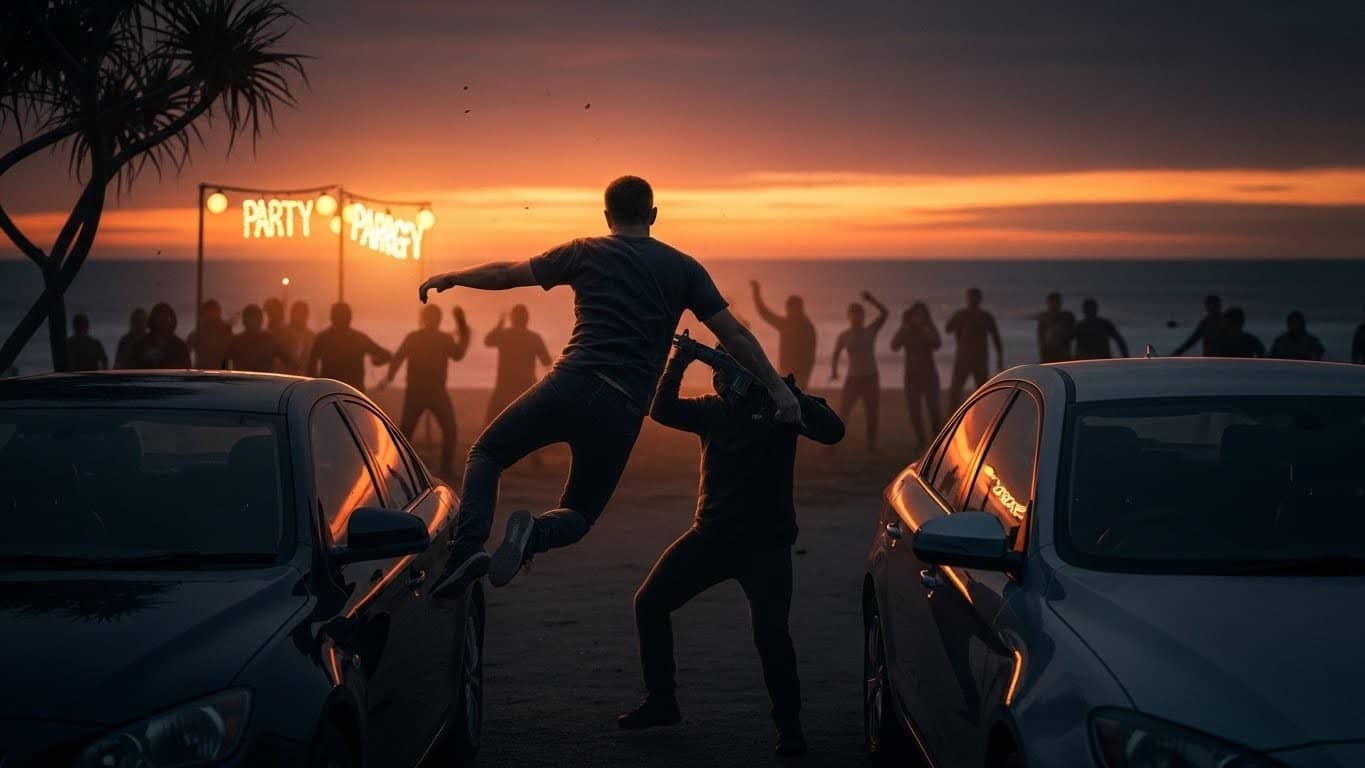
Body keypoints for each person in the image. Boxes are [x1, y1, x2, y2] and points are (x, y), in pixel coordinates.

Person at [419, 175, 799, 598]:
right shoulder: (685, 267)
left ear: (606, 216)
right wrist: (778, 389)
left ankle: (468, 547)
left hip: (571, 383)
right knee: (579, 514)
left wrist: (454, 277)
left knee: (488, 452)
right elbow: (735, 335)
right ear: (653, 215)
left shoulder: (585, 251)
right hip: (622, 410)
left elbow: (508, 274)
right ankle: (533, 537)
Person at [618, 339, 844, 756]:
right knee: (649, 603)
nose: (722, 380)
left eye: (730, 370)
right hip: (711, 537)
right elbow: (661, 408)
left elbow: (834, 431)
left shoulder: (781, 407)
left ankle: (789, 727)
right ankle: (662, 700)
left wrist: (788, 394)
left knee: (771, 635)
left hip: (766, 545)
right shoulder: (711, 411)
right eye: (717, 372)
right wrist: (679, 360)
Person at [386, 304, 471, 476]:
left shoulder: (435, 338)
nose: (434, 320)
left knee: (448, 429)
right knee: (407, 431)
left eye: (435, 317)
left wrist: (462, 325)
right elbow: (399, 357)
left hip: (431, 391)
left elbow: (458, 354)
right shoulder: (422, 337)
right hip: (420, 391)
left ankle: (443, 467)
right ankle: (399, 466)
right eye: (432, 317)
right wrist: (390, 375)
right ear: (427, 319)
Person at [831, 291, 887, 451]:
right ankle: (833, 444)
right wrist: (834, 371)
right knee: (844, 411)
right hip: (853, 378)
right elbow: (836, 353)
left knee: (871, 412)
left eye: (860, 315)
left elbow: (885, 313)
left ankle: (871, 445)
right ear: (849, 316)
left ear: (863, 316)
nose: (857, 318)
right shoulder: (844, 335)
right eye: (854, 315)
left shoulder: (870, 330)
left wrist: (872, 299)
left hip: (870, 377)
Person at [484, 304, 553, 423]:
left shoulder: (505, 335)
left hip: (504, 386)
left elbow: (488, 341)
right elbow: (546, 361)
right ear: (527, 319)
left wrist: (500, 324)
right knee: (529, 421)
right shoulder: (534, 338)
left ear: (512, 319)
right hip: (526, 385)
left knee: (491, 422)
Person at [306, 303, 392, 392]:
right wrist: (377, 361)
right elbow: (387, 355)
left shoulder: (322, 338)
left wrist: (314, 388)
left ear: (332, 318)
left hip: (329, 392)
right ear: (350, 318)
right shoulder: (359, 338)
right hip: (354, 392)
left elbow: (311, 366)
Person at [889, 302, 941, 448]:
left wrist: (926, 332)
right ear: (910, 316)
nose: (918, 318)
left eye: (921, 315)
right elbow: (893, 346)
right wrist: (903, 328)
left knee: (934, 410)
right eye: (915, 315)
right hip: (911, 377)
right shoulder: (906, 330)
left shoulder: (929, 328)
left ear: (925, 316)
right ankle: (921, 441)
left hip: (929, 375)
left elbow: (937, 343)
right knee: (914, 411)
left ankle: (937, 442)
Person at [750, 280, 817, 388]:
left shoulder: (807, 327)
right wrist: (756, 293)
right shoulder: (785, 323)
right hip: (785, 369)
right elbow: (764, 313)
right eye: (790, 308)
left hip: (801, 372)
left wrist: (807, 371)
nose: (791, 311)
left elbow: (811, 351)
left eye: (795, 308)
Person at [945, 287, 1003, 409]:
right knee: (956, 389)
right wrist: (959, 329)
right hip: (964, 358)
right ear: (967, 299)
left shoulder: (986, 316)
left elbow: (996, 337)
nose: (973, 300)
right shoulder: (961, 314)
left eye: (975, 297)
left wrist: (1000, 357)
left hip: (979, 359)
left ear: (980, 299)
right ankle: (951, 416)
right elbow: (948, 329)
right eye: (971, 297)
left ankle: (983, 414)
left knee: (982, 390)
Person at [227, 304, 295, 372]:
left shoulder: (269, 340)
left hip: (257, 380)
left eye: (255, 318)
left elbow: (288, 360)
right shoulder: (237, 341)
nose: (252, 322)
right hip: (251, 380)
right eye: (250, 318)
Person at [128, 302, 190, 369]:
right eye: (160, 317)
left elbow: (186, 370)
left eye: (166, 317)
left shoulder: (179, 346)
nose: (163, 321)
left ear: (172, 321)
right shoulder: (141, 345)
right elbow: (131, 368)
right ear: (153, 320)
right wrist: (146, 358)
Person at [187, 299, 233, 369]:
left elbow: (233, 354)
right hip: (202, 375)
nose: (211, 314)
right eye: (209, 311)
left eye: (213, 311)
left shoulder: (226, 333)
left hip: (222, 375)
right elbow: (186, 353)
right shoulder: (197, 334)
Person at [1037, 291, 1076, 363]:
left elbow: (1072, 334)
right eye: (1053, 302)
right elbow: (1041, 338)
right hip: (1052, 354)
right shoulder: (1044, 317)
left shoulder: (1067, 316)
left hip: (1062, 354)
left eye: (1056, 302)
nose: (1055, 304)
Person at [263, 298, 296, 373]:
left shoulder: (287, 334)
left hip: (282, 377)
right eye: (268, 312)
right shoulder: (266, 335)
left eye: (270, 312)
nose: (269, 316)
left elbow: (291, 359)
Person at [288, 300, 315, 368]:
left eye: (301, 313)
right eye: (297, 313)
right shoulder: (284, 334)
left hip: (303, 375)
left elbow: (312, 360)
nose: (299, 317)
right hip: (285, 374)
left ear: (306, 315)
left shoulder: (311, 337)